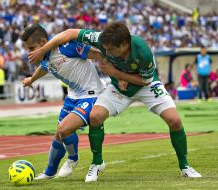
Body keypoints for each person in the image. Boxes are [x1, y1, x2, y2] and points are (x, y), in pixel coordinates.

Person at [28, 22, 202, 181]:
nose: (106, 52)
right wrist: (43, 51)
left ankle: (185, 166)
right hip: (119, 88)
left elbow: (145, 81)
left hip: (145, 86)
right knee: (95, 116)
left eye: (110, 50)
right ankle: (97, 163)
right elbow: (71, 32)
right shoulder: (104, 40)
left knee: (175, 120)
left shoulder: (143, 51)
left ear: (124, 45)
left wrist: (117, 74)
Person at [21, 24, 105, 181]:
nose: (29, 53)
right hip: (73, 97)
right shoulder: (46, 56)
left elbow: (97, 54)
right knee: (59, 134)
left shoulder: (66, 46)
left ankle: (73, 159)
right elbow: (45, 67)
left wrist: (116, 68)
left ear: (43, 42)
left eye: (31, 48)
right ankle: (49, 172)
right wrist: (32, 79)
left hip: (91, 94)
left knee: (64, 129)